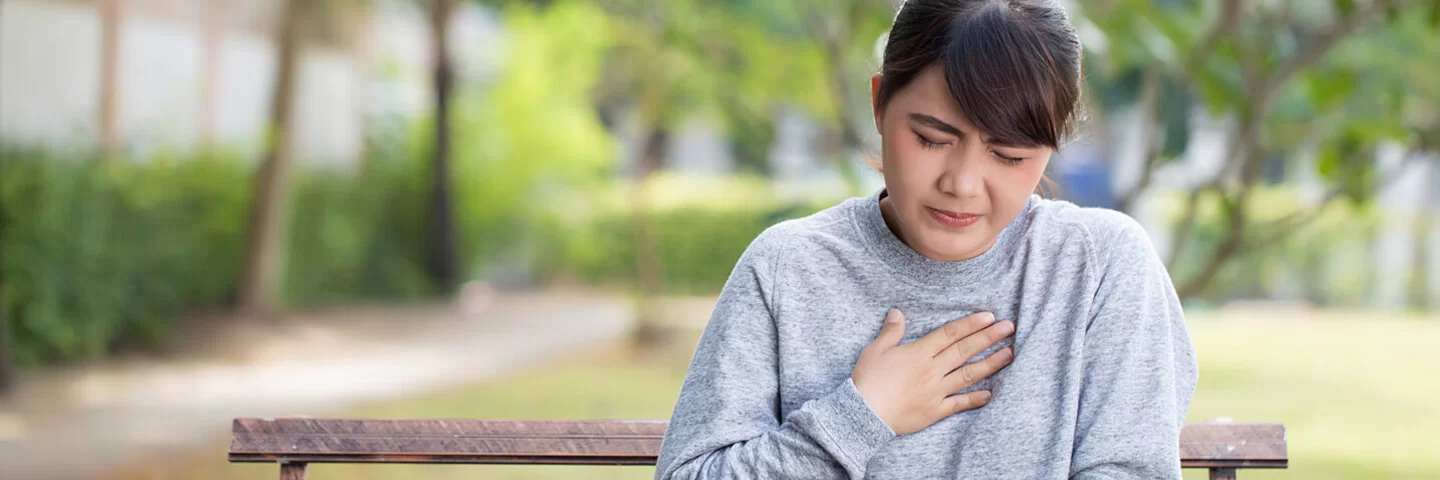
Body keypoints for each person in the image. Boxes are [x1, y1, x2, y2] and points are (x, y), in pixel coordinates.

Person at [653, 0, 1198, 478]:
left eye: (1009, 156)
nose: (961, 184)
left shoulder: (1100, 266)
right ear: (878, 105)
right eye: (931, 139)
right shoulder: (786, 268)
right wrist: (859, 417)